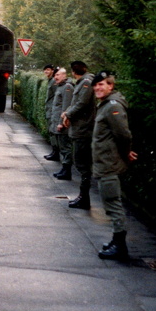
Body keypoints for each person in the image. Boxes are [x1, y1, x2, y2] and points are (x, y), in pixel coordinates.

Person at [91, 71, 137, 261]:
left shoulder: (112, 106)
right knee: (110, 203)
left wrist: (126, 152)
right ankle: (116, 241)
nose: (97, 88)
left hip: (109, 163)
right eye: (96, 85)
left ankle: (120, 246)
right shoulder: (105, 105)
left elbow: (124, 134)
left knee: (113, 203)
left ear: (111, 86)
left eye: (102, 84)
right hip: (104, 162)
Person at [62, 61, 96, 209]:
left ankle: (84, 198)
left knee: (82, 163)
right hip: (80, 128)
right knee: (81, 162)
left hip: (83, 129)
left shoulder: (86, 83)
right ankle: (83, 197)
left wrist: (68, 114)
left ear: (73, 72)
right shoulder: (84, 82)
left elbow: (81, 103)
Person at [50, 67, 75, 180]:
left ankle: (67, 170)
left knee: (65, 147)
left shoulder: (67, 87)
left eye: (58, 75)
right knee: (62, 146)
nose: (56, 77)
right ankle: (64, 169)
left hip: (63, 123)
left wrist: (61, 123)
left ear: (65, 75)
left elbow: (65, 107)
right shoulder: (60, 87)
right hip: (57, 121)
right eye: (55, 75)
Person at [42, 64, 60, 161]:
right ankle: (54, 151)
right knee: (51, 131)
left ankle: (56, 152)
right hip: (50, 109)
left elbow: (57, 96)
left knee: (53, 131)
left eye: (48, 70)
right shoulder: (50, 81)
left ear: (52, 71)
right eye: (45, 70)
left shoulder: (53, 81)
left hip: (52, 110)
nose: (46, 72)